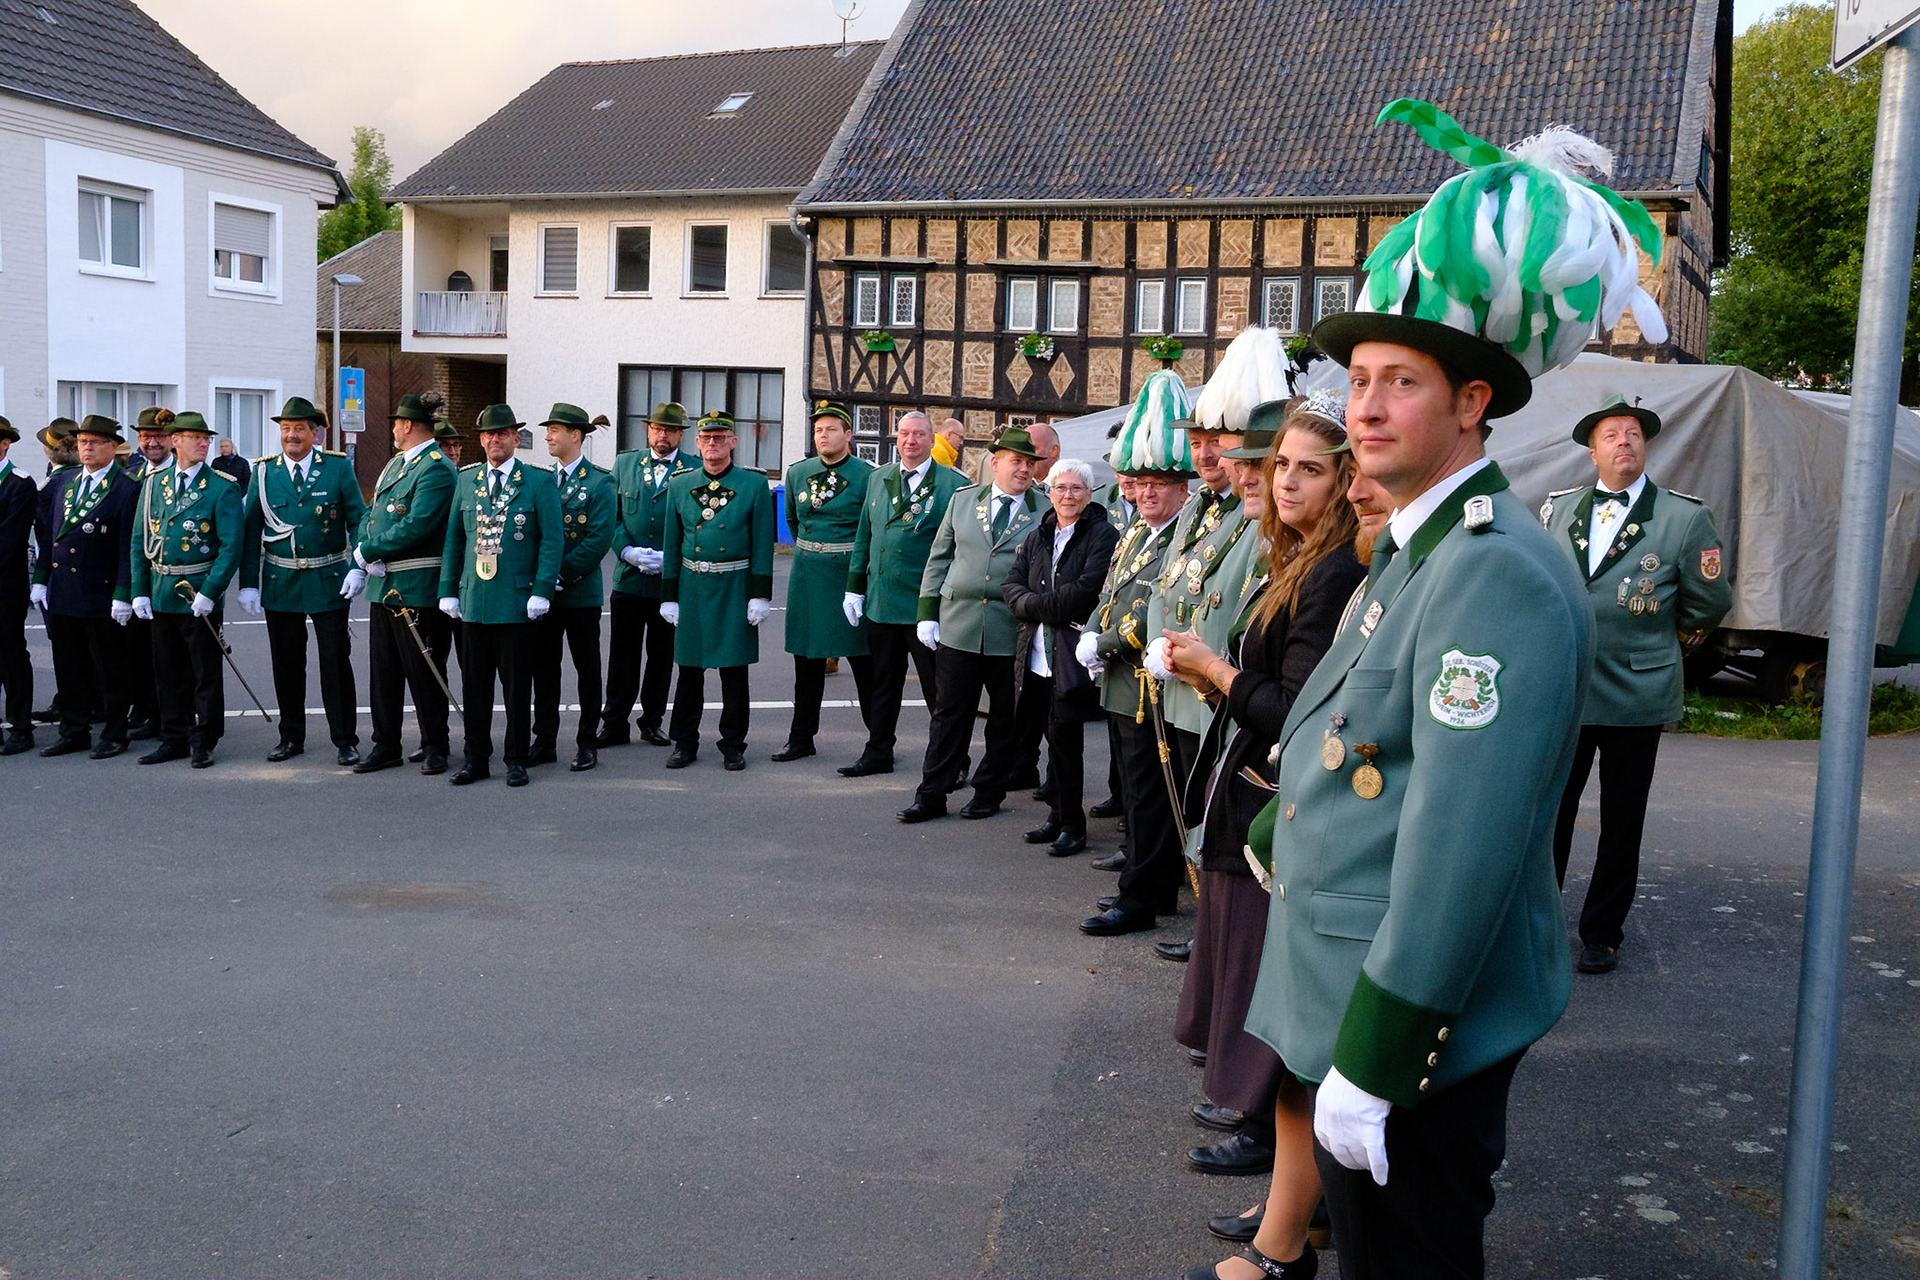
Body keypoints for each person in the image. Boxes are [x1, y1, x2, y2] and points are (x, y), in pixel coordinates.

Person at [1238, 99, 1665, 1279]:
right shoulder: (1423, 546)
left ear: (1473, 401)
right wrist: (1290, 821)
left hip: (1412, 1016)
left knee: (1410, 1258)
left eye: (1401, 383)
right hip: (1349, 969)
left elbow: (1462, 839)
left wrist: (1380, 1051)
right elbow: (1359, 725)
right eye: (1358, 379)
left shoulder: (1493, 570)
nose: (1365, 406)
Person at [1165, 400, 1364, 1278]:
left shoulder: (1329, 573)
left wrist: (1216, 671)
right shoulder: (1298, 559)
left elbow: (1299, 712)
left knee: (1275, 1017)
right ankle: (1297, 1211)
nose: (1285, 480)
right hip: (1249, 790)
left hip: (1274, 812)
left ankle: (1291, 1219)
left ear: (1343, 483)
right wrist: (1217, 684)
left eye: (1309, 469)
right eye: (1281, 464)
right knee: (1257, 1001)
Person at [1544, 394, 1733, 974]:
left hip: (1637, 689)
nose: (1624, 441)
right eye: (1611, 435)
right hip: (1568, 689)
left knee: (1623, 820)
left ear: (1644, 447)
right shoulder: (1559, 509)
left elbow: (1709, 602)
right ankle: (1541, 925)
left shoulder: (1682, 516)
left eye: (1633, 434)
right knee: (1553, 812)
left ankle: (1602, 932)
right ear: (1593, 450)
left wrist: (1662, 648)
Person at [1074, 371, 1194, 934]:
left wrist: (1104, 641)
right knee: (1136, 795)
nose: (1147, 492)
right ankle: (1153, 885)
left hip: (1151, 687)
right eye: (1140, 482)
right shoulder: (1132, 533)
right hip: (1120, 682)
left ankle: (1140, 899)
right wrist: (1091, 631)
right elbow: (1110, 591)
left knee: (1149, 797)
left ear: (1183, 488)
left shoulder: (1180, 538)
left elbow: (1154, 611)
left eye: (1160, 484)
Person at [897, 426, 1047, 823]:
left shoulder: (1043, 510)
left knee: (1003, 718)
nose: (1024, 469)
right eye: (1017, 461)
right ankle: (931, 793)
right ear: (995, 463)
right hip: (959, 623)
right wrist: (926, 613)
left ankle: (988, 791)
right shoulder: (964, 501)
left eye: (1030, 463)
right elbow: (939, 557)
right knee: (949, 714)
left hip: (1010, 629)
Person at [236, 397, 369, 766]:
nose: (291, 436)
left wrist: (358, 563)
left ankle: (345, 738)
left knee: (335, 662)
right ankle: (291, 736)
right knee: (287, 663)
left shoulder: (338, 469)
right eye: (285, 429)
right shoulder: (263, 473)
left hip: (328, 578)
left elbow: (357, 519)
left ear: (316, 433)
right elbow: (251, 532)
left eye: (298, 429)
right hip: (281, 578)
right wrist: (249, 582)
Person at [438, 404, 562, 787]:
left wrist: (542, 589)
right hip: (474, 601)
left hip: (517, 601)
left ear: (515, 439)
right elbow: (454, 541)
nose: (496, 440)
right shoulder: (466, 481)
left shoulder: (537, 482)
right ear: (481, 440)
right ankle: (476, 757)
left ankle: (516, 757)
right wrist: (448, 590)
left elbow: (552, 541)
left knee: (517, 687)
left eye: (503, 433)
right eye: (489, 434)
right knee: (474, 688)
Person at [840, 411, 967, 776]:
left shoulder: (952, 485)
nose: (910, 441)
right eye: (904, 434)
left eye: (919, 435)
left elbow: (957, 549)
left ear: (932, 440)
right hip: (882, 602)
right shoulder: (879, 477)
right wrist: (854, 588)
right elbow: (865, 535)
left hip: (923, 607)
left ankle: (953, 761)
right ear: (897, 439)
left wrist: (939, 605)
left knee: (938, 692)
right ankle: (879, 752)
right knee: (883, 686)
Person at [1002, 458, 1118, 854]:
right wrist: (1036, 605)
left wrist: (1034, 606)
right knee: (1049, 737)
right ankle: (1056, 815)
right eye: (1060, 488)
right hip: (1034, 653)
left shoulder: (1103, 534)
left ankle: (1073, 825)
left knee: (1067, 741)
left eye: (1075, 489)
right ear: (1048, 492)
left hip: (1069, 654)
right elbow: (1011, 584)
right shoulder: (1040, 534)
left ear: (1089, 495)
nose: (1067, 495)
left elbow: (1087, 590)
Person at [658, 411, 775, 770]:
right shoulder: (680, 484)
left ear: (733, 443)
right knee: (689, 670)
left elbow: (762, 543)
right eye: (706, 437)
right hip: (693, 585)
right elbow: (672, 540)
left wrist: (760, 594)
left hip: (734, 585)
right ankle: (684, 742)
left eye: (720, 437)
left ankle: (733, 744)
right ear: (696, 442)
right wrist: (668, 595)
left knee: (734, 672)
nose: (713, 443)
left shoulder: (753, 485)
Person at [128, 411, 245, 768]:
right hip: (163, 588)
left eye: (206, 438)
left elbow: (231, 546)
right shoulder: (153, 484)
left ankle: (204, 740)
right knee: (167, 671)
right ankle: (173, 736)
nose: (202, 443)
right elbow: (139, 539)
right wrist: (139, 589)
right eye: (194, 437)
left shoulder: (222, 486)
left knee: (204, 672)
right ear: (175, 440)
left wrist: (211, 591)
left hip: (198, 592)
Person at [353, 391, 459, 776]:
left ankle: (436, 745)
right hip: (387, 586)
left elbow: (418, 524)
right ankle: (386, 744)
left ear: (408, 426)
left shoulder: (435, 468)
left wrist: (370, 550)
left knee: (424, 669)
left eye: (397, 423)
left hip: (418, 585)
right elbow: (373, 512)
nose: (394, 429)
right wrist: (364, 549)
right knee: (384, 672)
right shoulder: (397, 465)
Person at [29, 415, 139, 758]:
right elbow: (50, 538)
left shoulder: (126, 487)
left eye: (94, 442)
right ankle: (74, 730)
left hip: (100, 590)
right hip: (64, 589)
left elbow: (127, 547)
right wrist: (41, 579)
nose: (87, 447)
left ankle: (115, 731)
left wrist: (124, 593)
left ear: (112, 447)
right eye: (82, 442)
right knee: (69, 665)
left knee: (110, 668)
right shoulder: (67, 483)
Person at [776, 401, 876, 762]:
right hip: (808, 575)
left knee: (865, 665)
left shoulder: (867, 476)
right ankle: (801, 738)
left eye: (831, 429)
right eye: (818, 430)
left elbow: (872, 529)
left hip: (849, 575)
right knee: (807, 663)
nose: (823, 435)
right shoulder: (798, 473)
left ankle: (879, 743)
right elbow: (793, 521)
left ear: (848, 435)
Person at [599, 402, 698, 748]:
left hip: (669, 583)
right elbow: (611, 515)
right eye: (657, 429)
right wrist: (626, 551)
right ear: (647, 430)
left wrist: (671, 558)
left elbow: (698, 525)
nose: (663, 435)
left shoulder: (694, 470)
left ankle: (652, 721)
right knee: (622, 656)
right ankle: (613, 723)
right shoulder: (625, 464)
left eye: (670, 430)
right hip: (628, 579)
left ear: (681, 435)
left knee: (661, 657)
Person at [531, 405, 617, 772]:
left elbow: (598, 540)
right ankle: (544, 739)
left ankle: (586, 742)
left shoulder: (600, 482)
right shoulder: (540, 480)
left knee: (587, 669)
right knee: (544, 669)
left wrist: (555, 575)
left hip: (579, 593)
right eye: (548, 430)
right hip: (545, 595)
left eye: (555, 430)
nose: (548, 436)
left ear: (576, 435)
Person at [121, 408, 174, 738]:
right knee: (138, 651)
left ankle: (175, 716)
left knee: (173, 657)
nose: (151, 443)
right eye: (144, 437)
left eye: (158, 436)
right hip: (141, 578)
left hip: (176, 580)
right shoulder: (132, 478)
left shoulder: (189, 475)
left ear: (173, 439)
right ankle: (145, 710)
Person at [0, 416, 39, 755]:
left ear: (4, 444)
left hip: (5, 588)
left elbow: (9, 540)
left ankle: (21, 727)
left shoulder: (19, 484)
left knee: (11, 656)